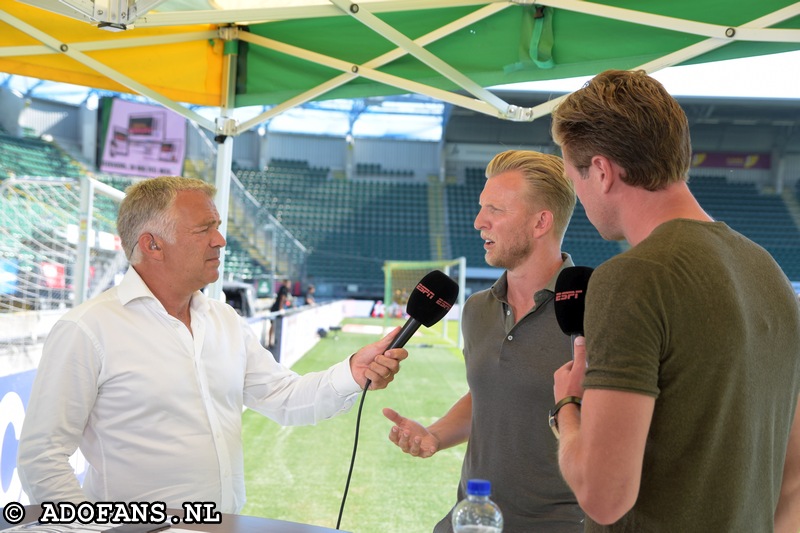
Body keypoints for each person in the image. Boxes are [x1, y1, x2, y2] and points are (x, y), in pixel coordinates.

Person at [17, 176, 407, 514]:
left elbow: (285, 399)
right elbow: (42, 459)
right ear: (153, 245)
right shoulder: (87, 329)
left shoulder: (223, 320)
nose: (220, 240)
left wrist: (353, 371)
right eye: (204, 229)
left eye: (217, 226)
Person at [550, 69, 800, 532]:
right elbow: (793, 478)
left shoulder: (632, 278)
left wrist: (567, 407)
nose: (580, 197)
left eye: (575, 178)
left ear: (601, 172)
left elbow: (604, 497)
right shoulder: (770, 272)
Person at [383, 150, 584, 531]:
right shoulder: (477, 309)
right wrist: (434, 435)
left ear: (541, 222)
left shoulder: (593, 311)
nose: (478, 222)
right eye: (481, 207)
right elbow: (489, 396)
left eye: (496, 209)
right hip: (474, 519)